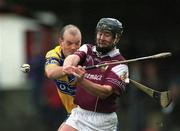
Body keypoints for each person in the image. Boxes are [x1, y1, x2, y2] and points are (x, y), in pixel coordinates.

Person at [60, 18, 129, 131]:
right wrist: (68, 66)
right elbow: (73, 57)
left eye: (106, 35)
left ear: (116, 38)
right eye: (99, 33)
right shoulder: (88, 49)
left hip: (103, 121)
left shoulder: (121, 65)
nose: (101, 38)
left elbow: (104, 92)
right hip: (80, 114)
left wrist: (82, 81)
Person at [44, 24, 82, 128]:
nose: (74, 47)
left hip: (91, 112)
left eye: (77, 43)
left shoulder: (86, 54)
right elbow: (50, 72)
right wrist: (68, 69)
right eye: (69, 43)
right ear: (61, 42)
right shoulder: (54, 54)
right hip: (73, 113)